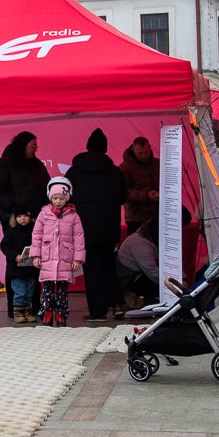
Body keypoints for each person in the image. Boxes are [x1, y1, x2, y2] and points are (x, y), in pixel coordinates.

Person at [65, 128, 126, 321]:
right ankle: (117, 305)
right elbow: (123, 196)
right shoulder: (114, 171)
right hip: (109, 227)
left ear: (88, 146)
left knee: (92, 268)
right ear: (105, 148)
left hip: (85, 227)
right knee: (109, 264)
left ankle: (98, 311)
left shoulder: (75, 170)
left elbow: (65, 193)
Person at [31, 177, 85, 327]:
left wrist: (77, 259)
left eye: (61, 198)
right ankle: (47, 314)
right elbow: (36, 235)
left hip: (64, 259)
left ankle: (61, 315)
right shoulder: (43, 214)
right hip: (47, 258)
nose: (58, 201)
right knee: (47, 290)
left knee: (62, 291)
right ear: (50, 197)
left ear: (67, 198)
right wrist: (36, 255)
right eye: (55, 198)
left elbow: (79, 238)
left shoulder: (73, 216)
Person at [0, 131, 50, 230]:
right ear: (23, 145)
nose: (36, 150)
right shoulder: (4, 163)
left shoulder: (37, 164)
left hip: (35, 217)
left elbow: (46, 187)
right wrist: (14, 207)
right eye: (33, 146)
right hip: (12, 217)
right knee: (13, 244)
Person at [0, 206, 38, 324]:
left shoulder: (34, 231)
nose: (23, 219)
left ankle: (28, 311)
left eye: (26, 216)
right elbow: (4, 246)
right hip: (16, 269)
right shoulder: (11, 231)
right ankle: (17, 312)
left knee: (30, 291)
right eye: (20, 216)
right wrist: (15, 256)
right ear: (15, 218)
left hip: (31, 268)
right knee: (19, 291)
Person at [120, 137, 161, 232]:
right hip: (136, 218)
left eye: (146, 152)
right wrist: (146, 195)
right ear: (133, 150)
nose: (143, 156)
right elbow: (121, 192)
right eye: (140, 153)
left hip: (157, 216)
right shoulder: (124, 168)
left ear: (150, 148)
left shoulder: (158, 164)